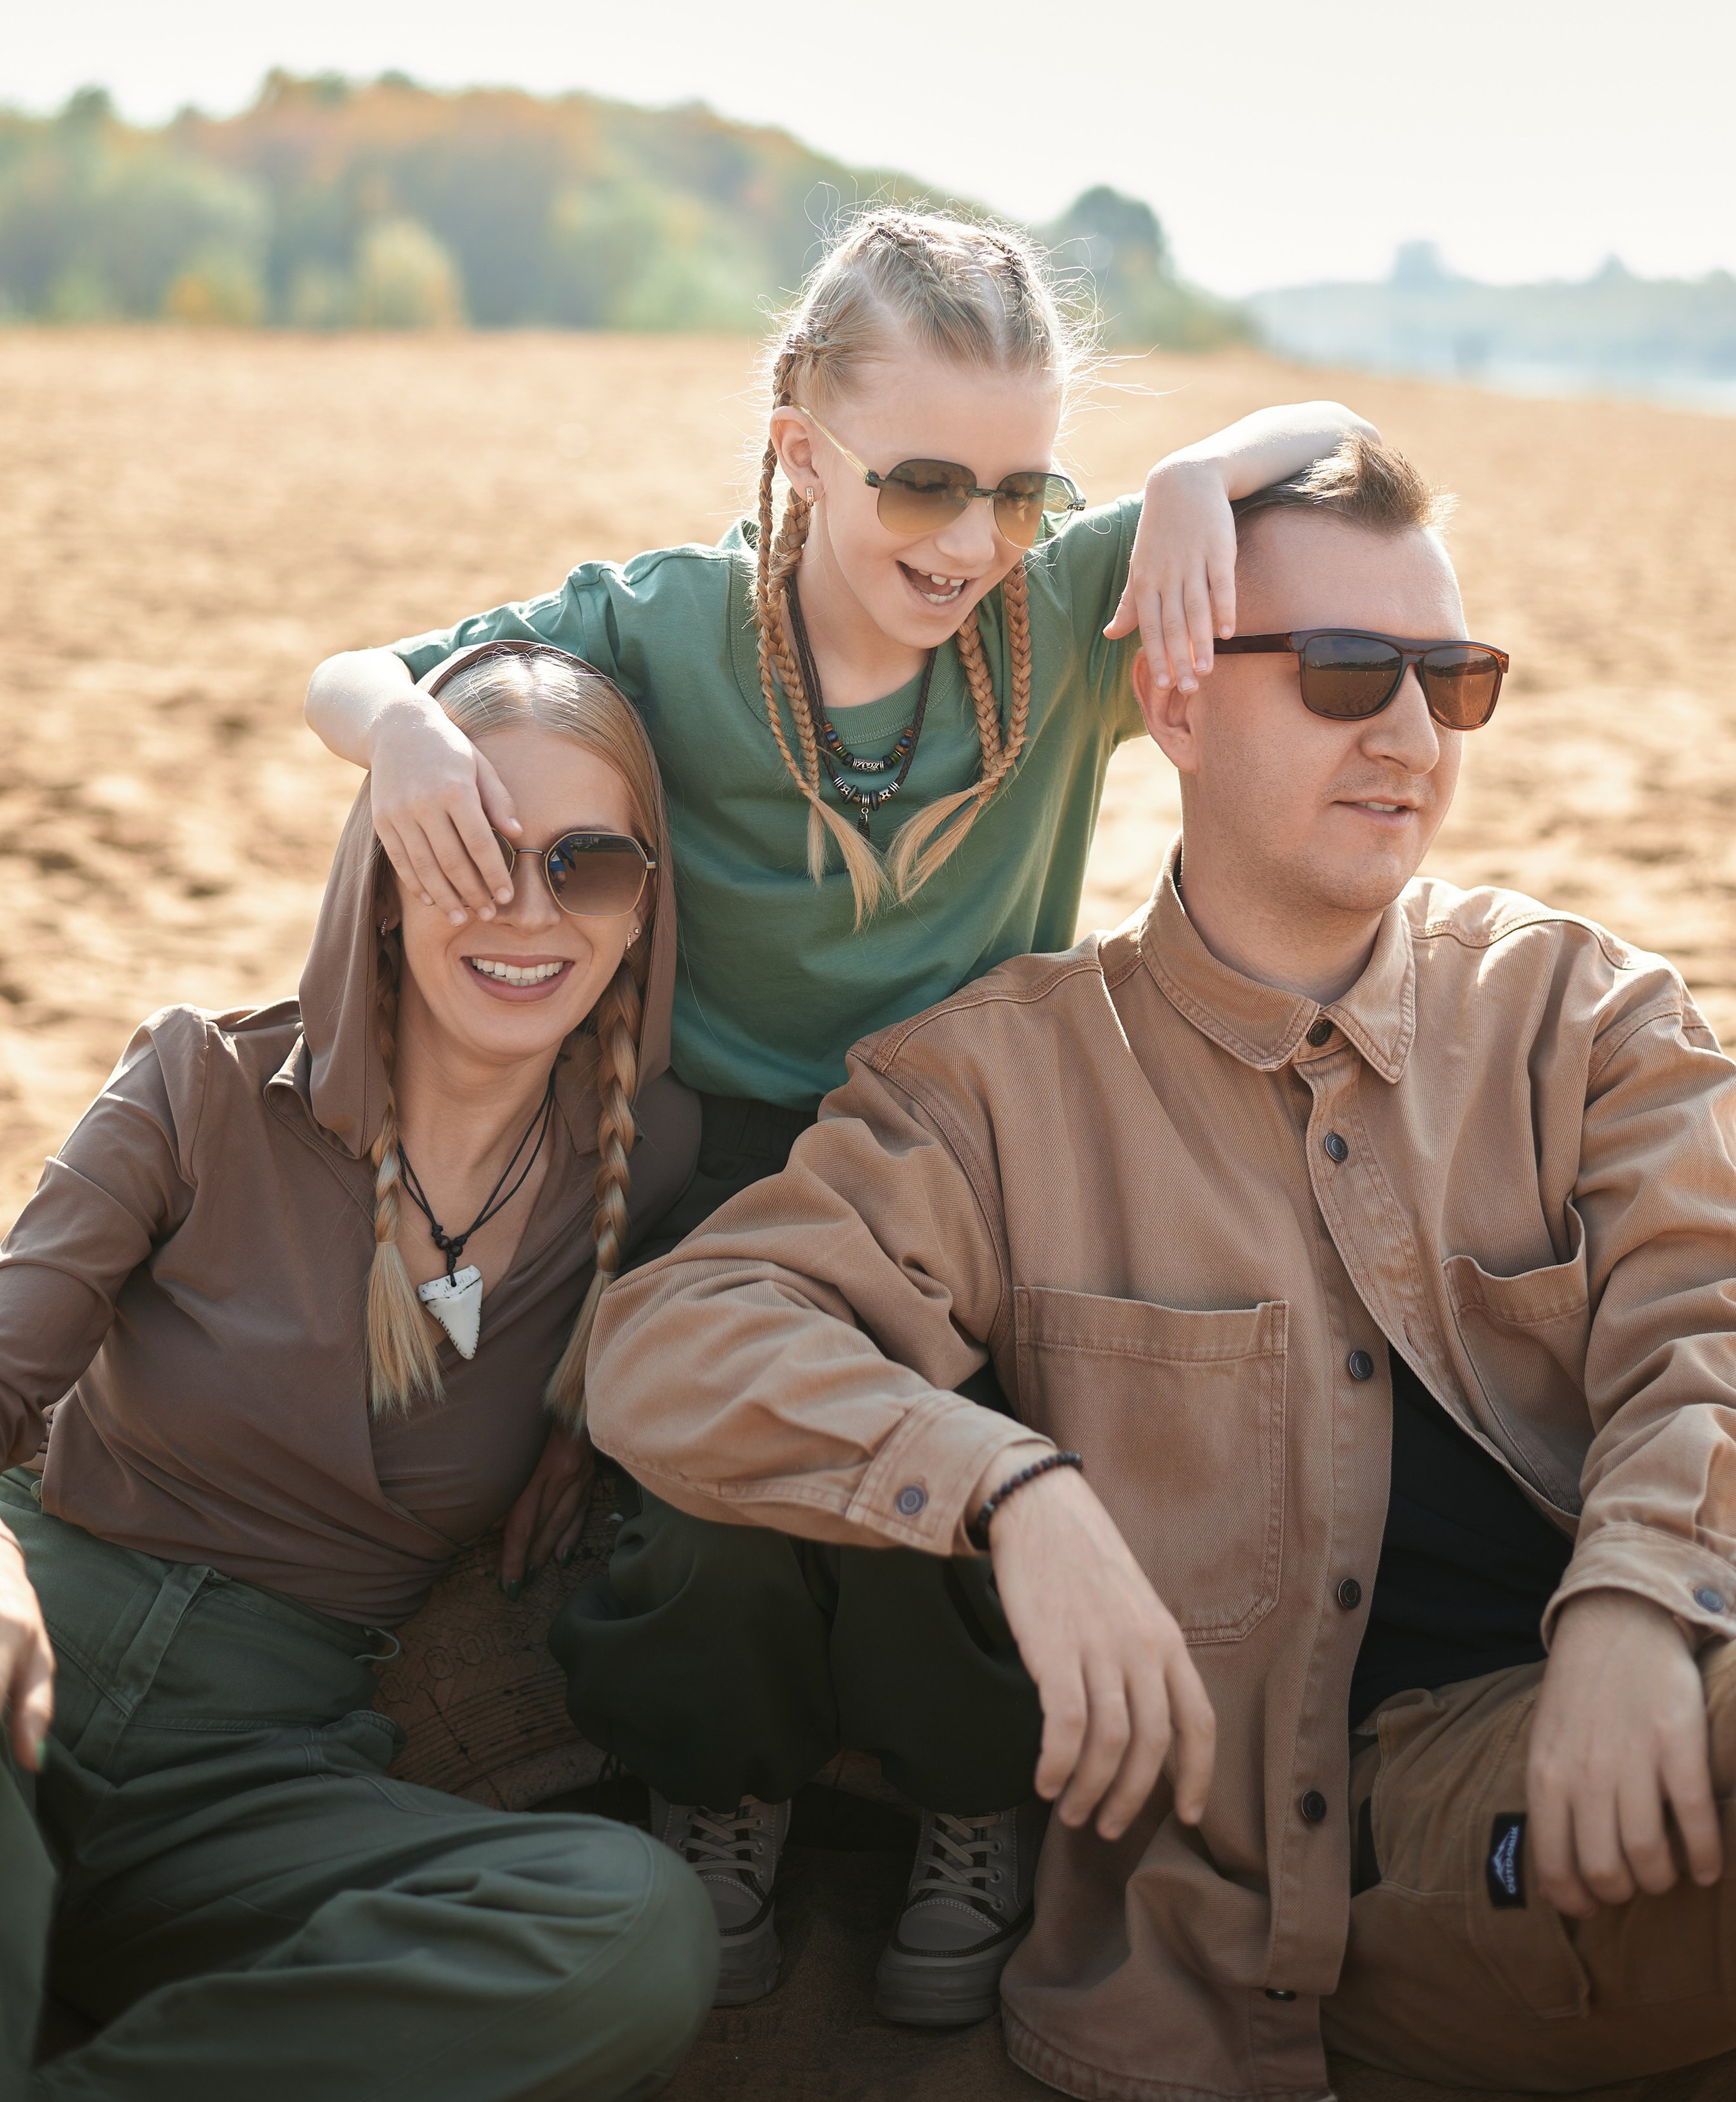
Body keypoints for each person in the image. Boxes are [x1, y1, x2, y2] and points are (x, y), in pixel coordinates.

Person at [302, 208, 1372, 2009]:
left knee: (955, 1455)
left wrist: (1196, 473)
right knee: (721, 1491)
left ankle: (968, 1796)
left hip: (973, 1176)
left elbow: (1324, 426)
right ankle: (720, 1787)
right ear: (803, 441)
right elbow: (349, 675)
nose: (971, 541)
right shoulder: (664, 624)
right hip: (721, 1173)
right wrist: (409, 731)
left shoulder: (1059, 612)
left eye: (1025, 488)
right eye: (926, 482)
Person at [581, 435, 1736, 2102]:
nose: (1408, 737)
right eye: (1344, 675)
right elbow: (676, 1341)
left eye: (1449, 681)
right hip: (1333, 1882)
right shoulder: (996, 1089)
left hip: (1647, 1718)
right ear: (1175, 708)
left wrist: (1635, 1597)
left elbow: (1708, 1313)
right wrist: (1004, 1484)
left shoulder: (1582, 1017)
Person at [0, 643, 718, 2102]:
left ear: (642, 908)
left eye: (586, 864)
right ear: (381, 871)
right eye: (468, 850)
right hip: (23, 1657)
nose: (526, 908)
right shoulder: (199, 1083)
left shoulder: (660, 1171)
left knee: (631, 1928)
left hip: (252, 1788)